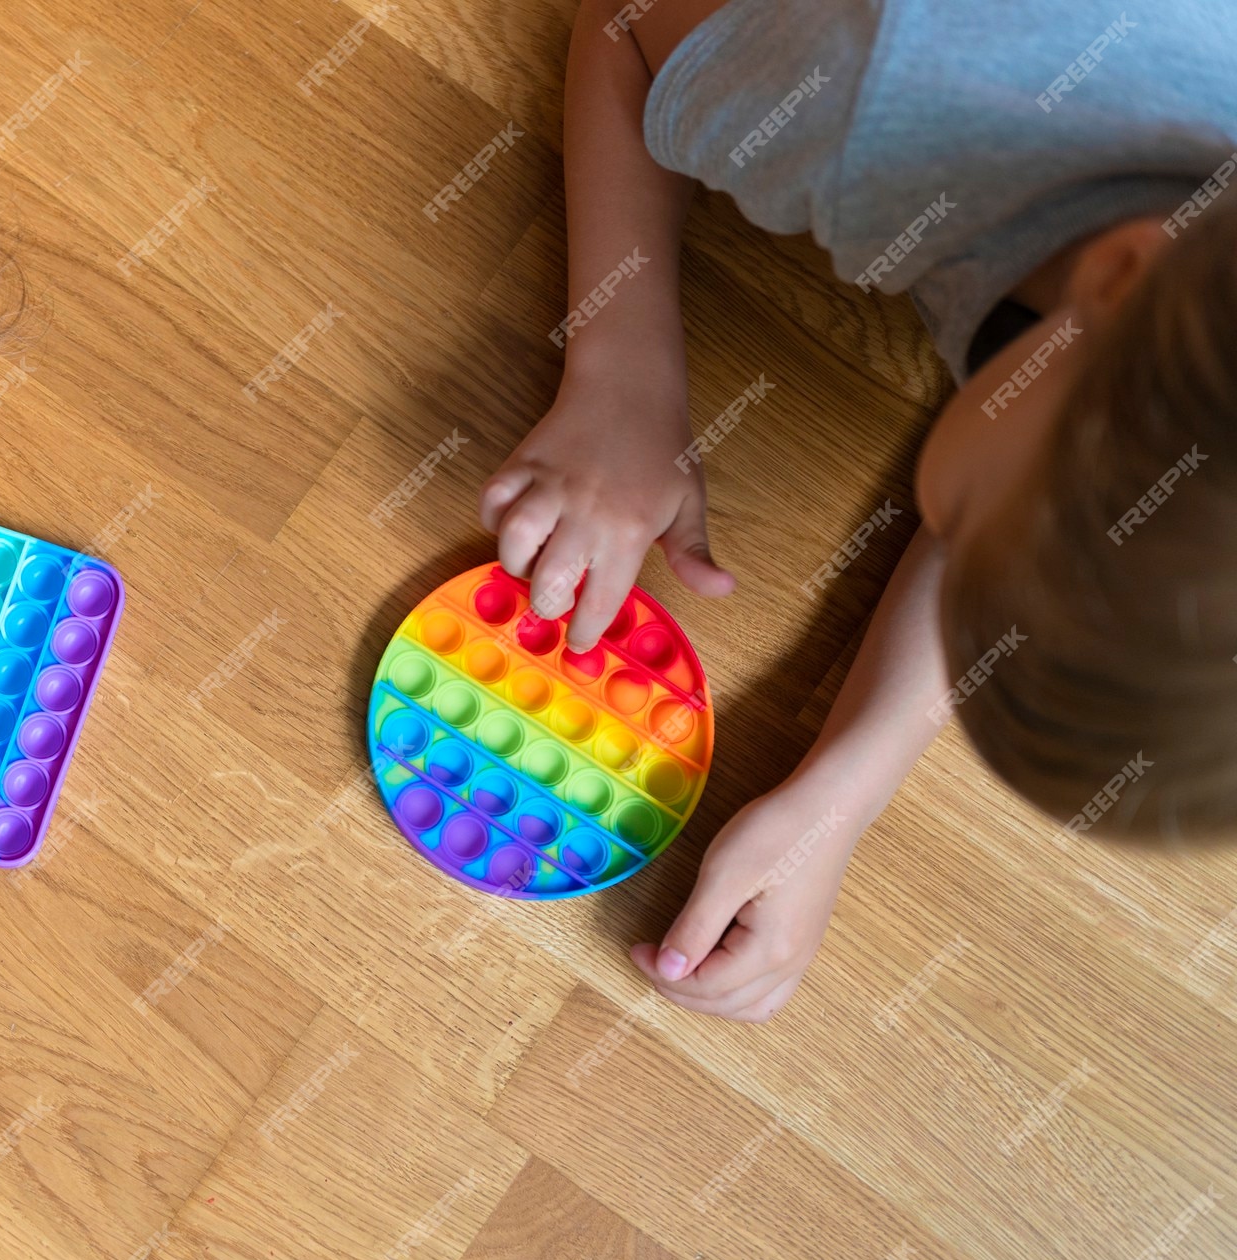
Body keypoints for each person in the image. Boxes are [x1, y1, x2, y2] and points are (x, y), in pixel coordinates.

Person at [484, 0, 1235, 1021]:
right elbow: (624, 24)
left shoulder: (1154, 361)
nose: (953, 560)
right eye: (969, 533)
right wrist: (622, 372)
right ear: (1116, 277)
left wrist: (842, 790)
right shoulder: (880, 93)